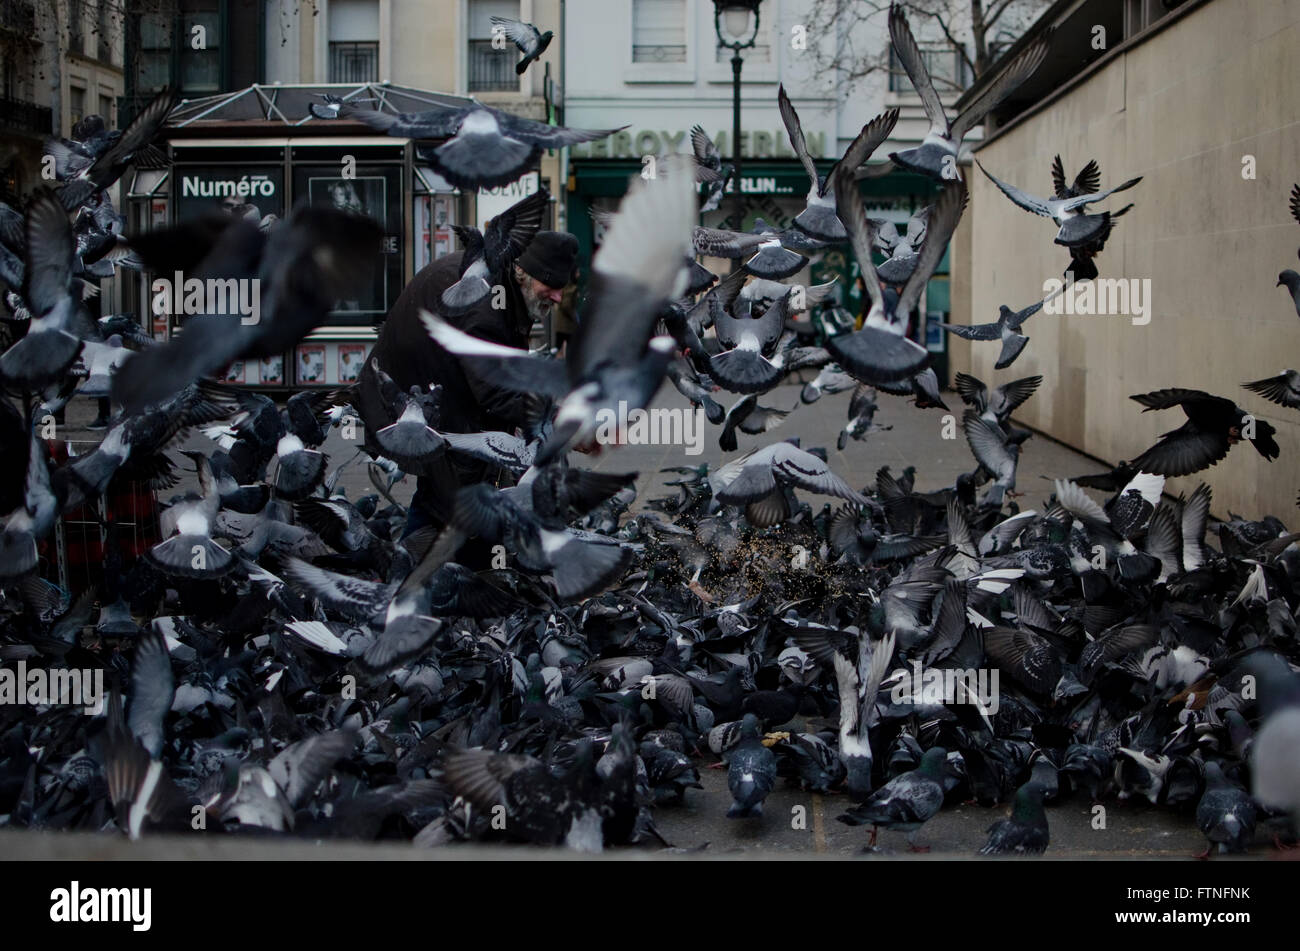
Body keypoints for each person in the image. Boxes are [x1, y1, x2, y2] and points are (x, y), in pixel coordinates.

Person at [355, 230, 579, 531]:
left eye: (561, 288)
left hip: (435, 390)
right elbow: (496, 393)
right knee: (453, 495)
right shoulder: (484, 303)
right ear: (523, 273)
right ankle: (427, 567)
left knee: (451, 491)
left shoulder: (501, 283)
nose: (557, 296)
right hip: (410, 396)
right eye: (550, 285)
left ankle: (432, 564)